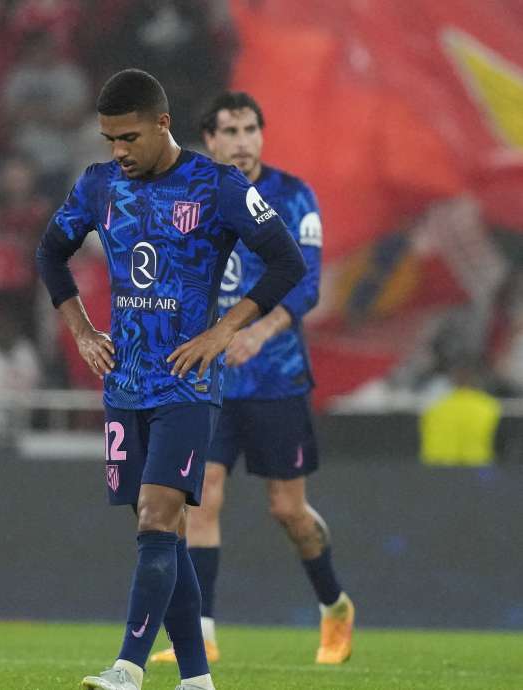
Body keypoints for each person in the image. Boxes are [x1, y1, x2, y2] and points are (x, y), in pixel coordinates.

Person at [36, 70, 305, 690]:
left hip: (185, 384)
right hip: (123, 383)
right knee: (167, 535)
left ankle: (128, 667)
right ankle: (196, 679)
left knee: (156, 521)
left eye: (128, 137)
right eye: (109, 140)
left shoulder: (216, 185)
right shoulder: (99, 185)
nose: (118, 152)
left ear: (163, 124)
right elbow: (50, 252)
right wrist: (80, 330)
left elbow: (286, 260)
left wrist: (224, 331)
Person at [150, 92, 354, 666]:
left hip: (276, 379)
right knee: (202, 495)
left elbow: (307, 283)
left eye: (249, 129)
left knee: (287, 510)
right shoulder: (190, 199)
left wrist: (258, 334)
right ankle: (203, 635)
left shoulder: (293, 197)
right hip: (210, 382)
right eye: (229, 131)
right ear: (209, 141)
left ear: (262, 135)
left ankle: (334, 605)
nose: (241, 140)